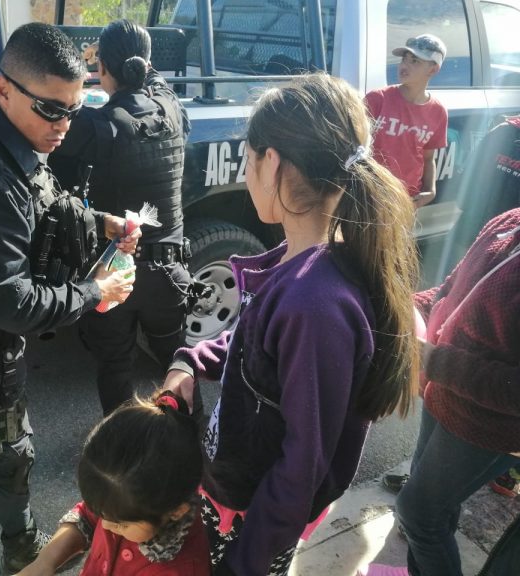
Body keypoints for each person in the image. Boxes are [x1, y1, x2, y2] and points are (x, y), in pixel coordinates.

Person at [161, 73, 421, 576]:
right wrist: (191, 360)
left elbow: (303, 465)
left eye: (248, 158)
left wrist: (244, 563)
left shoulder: (314, 304)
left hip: (255, 518)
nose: (247, 171)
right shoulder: (302, 263)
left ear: (272, 162)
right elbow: (253, 344)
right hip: (241, 492)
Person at [0, 23, 139, 574]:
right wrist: (97, 290)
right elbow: (15, 305)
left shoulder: (12, 139)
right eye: (51, 110)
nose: (64, 126)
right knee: (9, 449)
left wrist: (102, 223)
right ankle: (23, 545)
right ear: (3, 88)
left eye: (74, 110)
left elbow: (45, 202)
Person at [361, 208, 520, 576]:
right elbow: (451, 291)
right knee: (435, 504)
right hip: (443, 396)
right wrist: (405, 309)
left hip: (487, 425)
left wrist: (432, 360)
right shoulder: (510, 221)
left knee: (419, 515)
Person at [48, 19, 193, 416]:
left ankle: (123, 444)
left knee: (115, 367)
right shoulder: (172, 108)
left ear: (102, 70)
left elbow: (56, 138)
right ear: (147, 65)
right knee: (177, 365)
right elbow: (155, 82)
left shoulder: (95, 125)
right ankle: (190, 437)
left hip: (114, 274)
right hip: (169, 273)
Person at [16, 391, 211, 576]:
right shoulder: (123, 503)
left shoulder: (180, 570)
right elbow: (87, 517)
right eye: (102, 514)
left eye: (121, 525)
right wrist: (43, 563)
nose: (106, 525)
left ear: (176, 511)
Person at [365, 34, 448, 209]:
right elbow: (353, 148)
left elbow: (428, 158)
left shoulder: (438, 112)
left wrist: (430, 190)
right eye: (404, 59)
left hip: (406, 201)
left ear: (433, 70)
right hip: (369, 197)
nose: (404, 65)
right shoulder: (377, 99)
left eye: (415, 61)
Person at [438, 114, 520, 276]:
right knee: (452, 278)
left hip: (500, 237)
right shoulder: (503, 131)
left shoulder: (502, 130)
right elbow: (469, 176)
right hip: (475, 229)